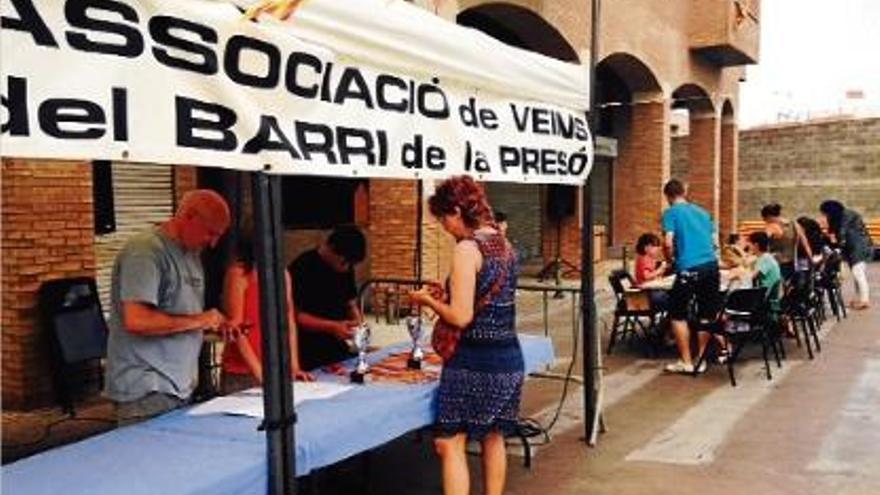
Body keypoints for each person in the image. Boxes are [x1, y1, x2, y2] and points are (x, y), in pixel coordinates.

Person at [409, 176, 521, 495]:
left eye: (444, 218)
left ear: (457, 210)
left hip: (474, 360)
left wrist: (427, 301)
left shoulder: (467, 249)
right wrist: (445, 294)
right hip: (508, 357)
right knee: (494, 435)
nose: (444, 227)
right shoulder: (504, 243)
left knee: (449, 441)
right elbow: (483, 297)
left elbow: (461, 316)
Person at [105, 189, 232, 424]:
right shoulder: (145, 252)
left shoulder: (192, 255)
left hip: (179, 387)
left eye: (219, 236)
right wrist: (200, 320)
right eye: (210, 233)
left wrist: (214, 327)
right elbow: (137, 320)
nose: (213, 243)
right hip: (147, 390)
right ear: (189, 216)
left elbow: (178, 319)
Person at [221, 236, 312, 394]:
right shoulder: (238, 274)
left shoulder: (282, 274)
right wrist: (260, 373)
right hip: (242, 372)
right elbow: (236, 328)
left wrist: (294, 366)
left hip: (275, 368)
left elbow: (288, 321)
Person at [660, 179, 719, 374]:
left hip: (688, 267)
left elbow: (668, 242)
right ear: (685, 191)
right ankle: (700, 359)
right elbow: (715, 242)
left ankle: (685, 360)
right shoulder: (703, 213)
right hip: (711, 266)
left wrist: (671, 260)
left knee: (677, 314)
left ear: (668, 196)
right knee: (706, 314)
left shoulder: (670, 213)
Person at [288, 225, 367, 370]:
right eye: (344, 262)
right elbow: (295, 316)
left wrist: (358, 323)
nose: (347, 267)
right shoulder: (303, 267)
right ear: (330, 249)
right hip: (309, 351)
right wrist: (332, 327)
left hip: (339, 350)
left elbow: (350, 303)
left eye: (351, 264)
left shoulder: (346, 270)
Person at [820, 200, 872, 310]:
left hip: (859, 248)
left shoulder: (846, 216)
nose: (825, 216)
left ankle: (864, 300)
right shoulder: (842, 216)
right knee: (857, 274)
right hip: (854, 248)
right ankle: (859, 298)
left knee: (858, 273)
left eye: (825, 213)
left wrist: (838, 243)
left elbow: (843, 233)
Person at [761, 203, 812, 279]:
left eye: (764, 219)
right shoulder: (794, 224)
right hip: (792, 263)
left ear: (768, 217)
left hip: (776, 263)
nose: (765, 222)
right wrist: (811, 261)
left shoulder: (771, 226)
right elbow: (805, 243)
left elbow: (762, 241)